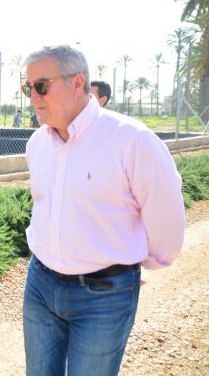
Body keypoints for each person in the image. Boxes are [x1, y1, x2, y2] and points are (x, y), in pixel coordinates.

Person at [21, 45, 185, 376]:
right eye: (28, 88)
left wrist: (128, 266)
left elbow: (167, 221)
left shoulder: (132, 140)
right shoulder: (37, 144)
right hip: (40, 285)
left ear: (77, 82)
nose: (33, 97)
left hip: (104, 295)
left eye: (41, 86)